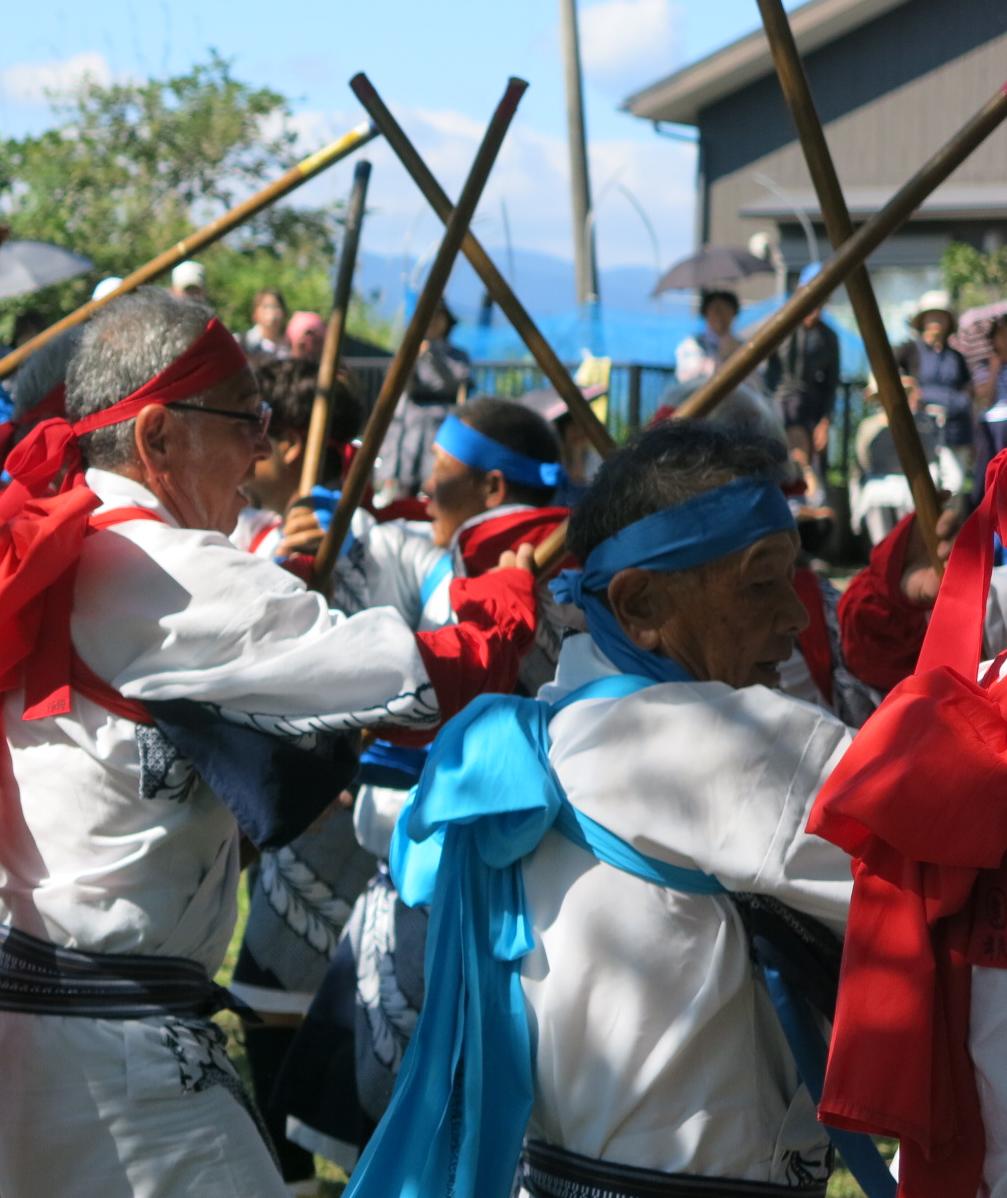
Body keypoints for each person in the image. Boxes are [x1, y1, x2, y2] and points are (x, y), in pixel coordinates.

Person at [0, 288, 540, 1197]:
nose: (265, 444)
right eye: (244, 419)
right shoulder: (173, 569)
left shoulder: (66, 539)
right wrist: (506, 600)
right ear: (158, 436)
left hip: (40, 1025)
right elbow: (418, 683)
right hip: (120, 1053)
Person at [344, 420, 878, 1198]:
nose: (795, 619)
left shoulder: (560, 723)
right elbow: (943, 838)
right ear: (642, 604)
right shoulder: (714, 741)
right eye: (761, 582)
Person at [276, 398, 570, 1170]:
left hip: (484, 873)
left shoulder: (539, 568)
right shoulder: (471, 555)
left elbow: (442, 684)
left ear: (495, 489)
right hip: (425, 863)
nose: (423, 489)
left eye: (440, 476)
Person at [375, 299, 472, 498]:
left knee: (436, 475)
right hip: (410, 419)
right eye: (430, 317)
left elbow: (458, 385)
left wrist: (433, 356)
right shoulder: (410, 350)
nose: (433, 323)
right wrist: (413, 356)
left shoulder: (458, 355)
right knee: (404, 473)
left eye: (438, 317)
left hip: (442, 420)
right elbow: (399, 382)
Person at [850, 371, 959, 544]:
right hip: (878, 486)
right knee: (877, 513)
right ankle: (882, 551)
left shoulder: (922, 423)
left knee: (910, 525)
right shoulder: (868, 427)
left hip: (913, 486)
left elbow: (932, 454)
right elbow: (862, 462)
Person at [765, 262, 840, 467]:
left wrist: (825, 422)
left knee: (811, 470)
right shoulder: (779, 326)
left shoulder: (828, 337)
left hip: (811, 412)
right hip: (777, 408)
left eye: (820, 296)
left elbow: (831, 384)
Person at [896, 289, 972, 477]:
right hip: (921, 429)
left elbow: (968, 388)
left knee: (954, 482)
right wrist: (909, 389)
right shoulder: (908, 350)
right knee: (926, 480)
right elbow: (885, 373)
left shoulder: (956, 357)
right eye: (932, 316)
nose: (936, 321)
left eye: (941, 316)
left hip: (954, 429)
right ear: (922, 321)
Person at [673, 288, 743, 384]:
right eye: (716, 309)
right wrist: (720, 357)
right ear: (705, 313)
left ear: (734, 314)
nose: (721, 315)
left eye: (726, 309)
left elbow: (755, 383)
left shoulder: (744, 346)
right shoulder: (692, 344)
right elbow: (686, 379)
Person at [241, 288, 290, 358]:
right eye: (266, 306)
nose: (271, 311)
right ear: (255, 314)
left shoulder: (289, 348)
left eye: (276, 306)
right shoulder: (241, 342)